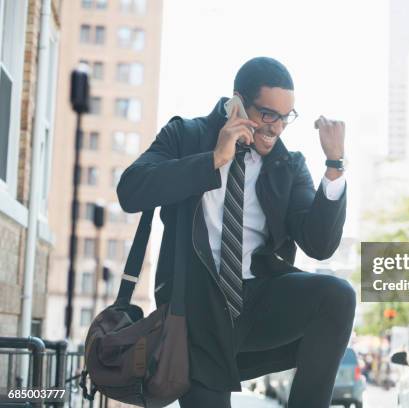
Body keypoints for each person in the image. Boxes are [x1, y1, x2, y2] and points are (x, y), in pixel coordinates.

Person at [116, 56, 356, 407]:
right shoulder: (186, 136)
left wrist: (334, 166)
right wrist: (213, 159)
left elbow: (320, 244)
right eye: (267, 114)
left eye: (285, 117)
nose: (275, 127)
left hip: (258, 301)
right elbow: (131, 190)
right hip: (196, 313)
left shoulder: (287, 166)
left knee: (338, 295)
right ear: (237, 101)